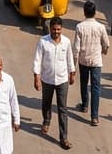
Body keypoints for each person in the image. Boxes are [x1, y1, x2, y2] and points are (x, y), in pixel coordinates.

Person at [33, 16, 75, 150]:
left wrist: (72, 73)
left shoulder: (66, 42)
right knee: (46, 103)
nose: (56, 32)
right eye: (54, 29)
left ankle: (64, 138)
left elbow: (70, 59)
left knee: (63, 109)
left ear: (61, 29)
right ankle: (46, 120)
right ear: (50, 29)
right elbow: (37, 60)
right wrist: (36, 77)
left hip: (62, 80)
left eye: (58, 30)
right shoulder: (43, 42)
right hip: (47, 79)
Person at [73, 0, 109, 127]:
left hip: (83, 60)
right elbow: (106, 44)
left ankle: (84, 106)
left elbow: (76, 48)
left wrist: (73, 66)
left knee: (84, 84)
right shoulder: (100, 27)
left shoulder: (79, 27)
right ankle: (94, 117)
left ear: (84, 12)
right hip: (96, 61)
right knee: (95, 88)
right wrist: (103, 51)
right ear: (95, 13)